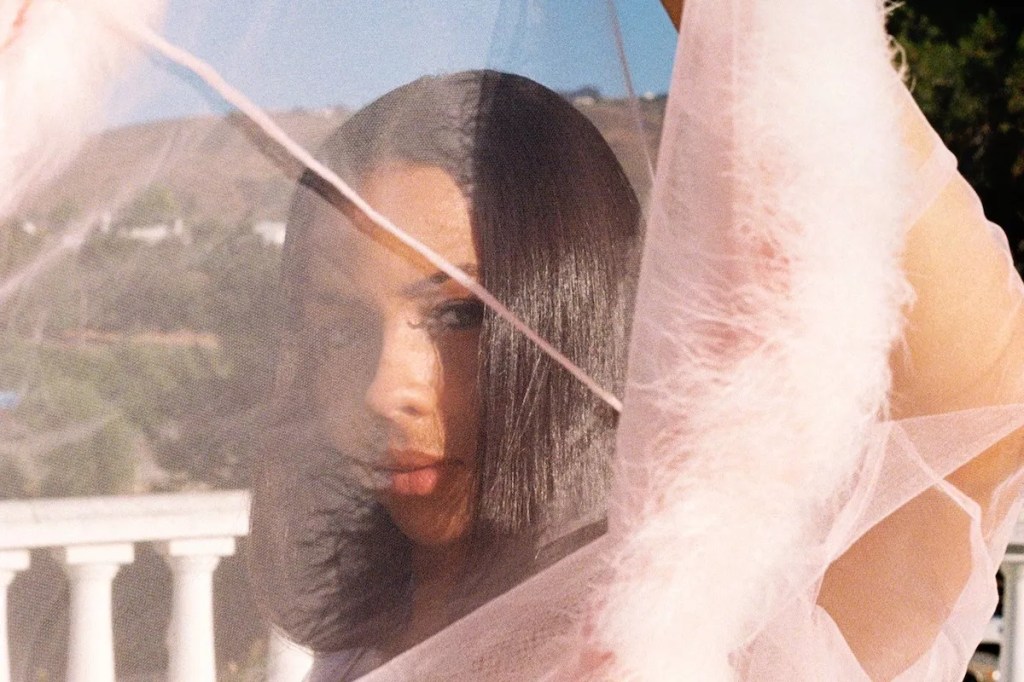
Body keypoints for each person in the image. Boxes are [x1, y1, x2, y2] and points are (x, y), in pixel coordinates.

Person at [248, 69, 642, 678]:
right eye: (342, 329)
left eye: (460, 315)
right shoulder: (362, 642)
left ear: (580, 314)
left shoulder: (658, 646)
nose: (384, 392)